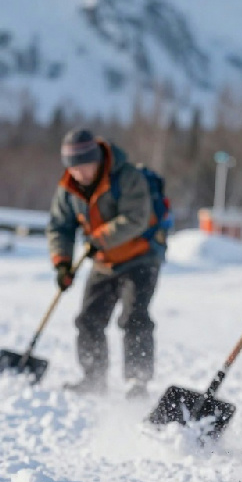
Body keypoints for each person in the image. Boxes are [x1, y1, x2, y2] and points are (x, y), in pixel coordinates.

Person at [47, 128, 164, 399]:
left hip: (140, 257)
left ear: (97, 159)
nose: (80, 174)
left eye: (85, 166)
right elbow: (59, 227)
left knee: (134, 317)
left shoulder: (127, 177)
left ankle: (138, 380)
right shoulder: (69, 189)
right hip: (103, 263)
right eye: (74, 168)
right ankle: (93, 376)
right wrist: (62, 263)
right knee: (88, 319)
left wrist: (99, 238)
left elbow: (136, 218)